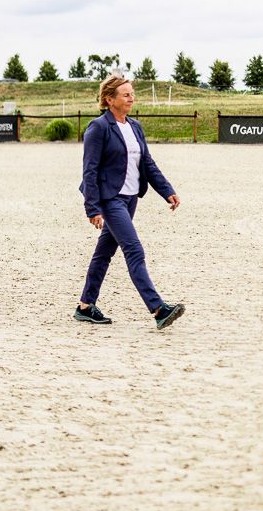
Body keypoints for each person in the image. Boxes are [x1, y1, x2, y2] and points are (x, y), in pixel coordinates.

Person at [77, 76, 185, 330]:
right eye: (125, 95)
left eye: (132, 94)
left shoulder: (135, 126)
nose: (131, 98)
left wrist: (166, 190)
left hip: (130, 198)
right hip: (110, 199)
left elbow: (147, 163)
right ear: (109, 99)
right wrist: (92, 208)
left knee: (103, 254)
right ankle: (158, 309)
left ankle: (85, 306)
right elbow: (89, 170)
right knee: (134, 250)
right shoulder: (98, 127)